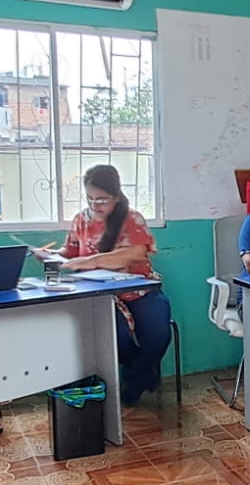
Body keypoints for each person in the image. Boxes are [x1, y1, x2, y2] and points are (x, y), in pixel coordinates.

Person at [53, 165, 172, 406]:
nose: (94, 205)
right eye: (89, 198)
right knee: (115, 337)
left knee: (158, 334)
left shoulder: (132, 219)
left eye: (101, 200)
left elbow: (135, 254)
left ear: (116, 196)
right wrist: (52, 256)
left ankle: (135, 383)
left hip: (140, 290)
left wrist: (92, 261)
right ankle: (143, 374)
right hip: (100, 295)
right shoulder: (81, 220)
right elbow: (70, 251)